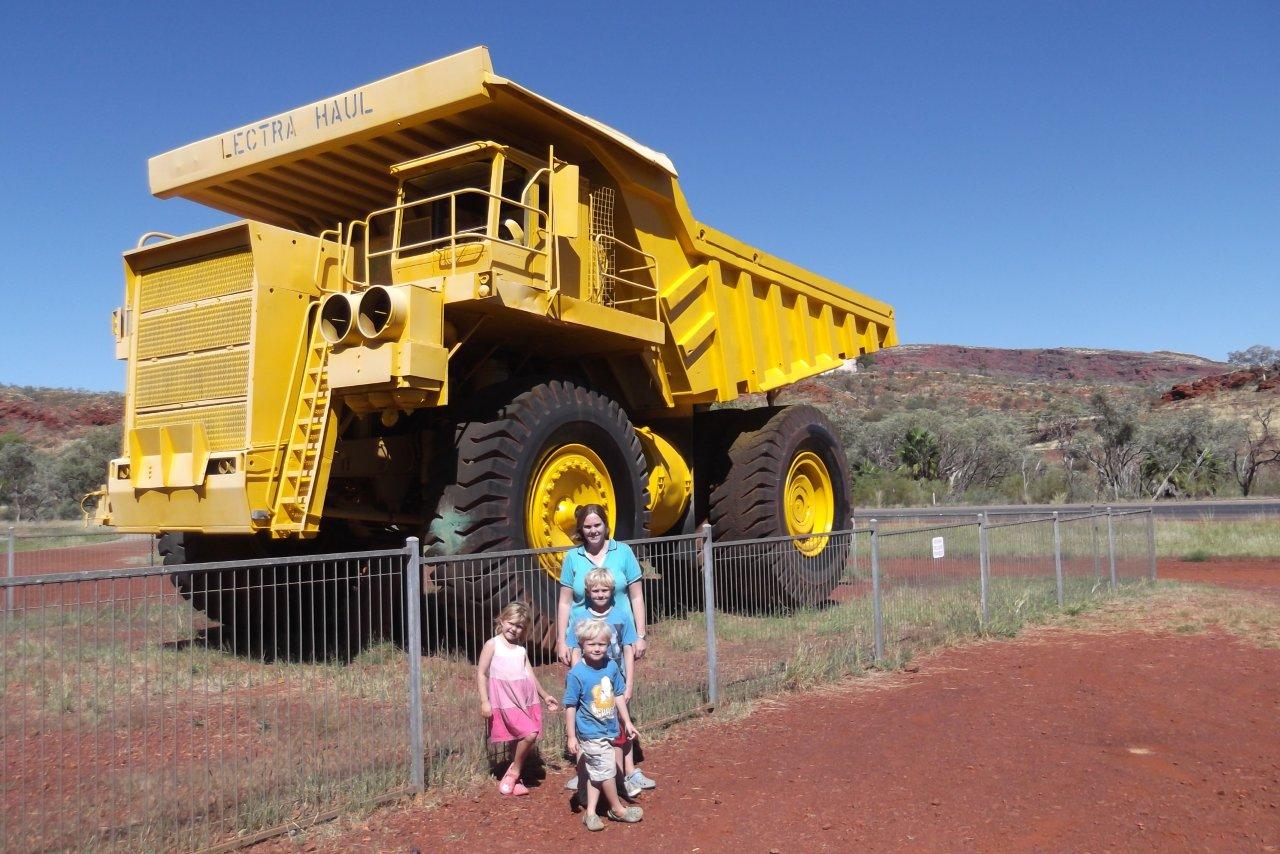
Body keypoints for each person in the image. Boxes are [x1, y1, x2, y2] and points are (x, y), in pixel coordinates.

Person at [556, 504, 657, 792]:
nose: (593, 530)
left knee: (619, 705)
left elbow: (636, 596)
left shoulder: (622, 553)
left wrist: (640, 634)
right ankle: (587, 770)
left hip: (617, 640)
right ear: (581, 528)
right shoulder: (572, 558)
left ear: (605, 525)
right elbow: (565, 602)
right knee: (587, 705)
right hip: (585, 646)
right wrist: (562, 639)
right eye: (587, 526)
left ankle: (628, 770)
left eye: (597, 524)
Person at [566, 567, 645, 796]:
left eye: (604, 590)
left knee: (618, 732)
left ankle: (621, 778)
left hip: (615, 684)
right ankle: (584, 781)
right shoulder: (580, 619)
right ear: (588, 592)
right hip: (587, 688)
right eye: (595, 590)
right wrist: (577, 680)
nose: (600, 594)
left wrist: (628, 683)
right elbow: (574, 651)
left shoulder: (621, 616)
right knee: (587, 733)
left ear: (612, 591)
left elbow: (629, 650)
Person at [564, 619, 643, 831]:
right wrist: (571, 736)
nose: (597, 648)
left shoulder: (611, 666)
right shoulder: (576, 674)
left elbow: (618, 695)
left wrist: (626, 721)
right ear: (581, 644)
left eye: (602, 644)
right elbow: (570, 706)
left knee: (597, 773)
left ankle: (590, 813)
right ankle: (617, 809)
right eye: (591, 644)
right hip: (590, 733)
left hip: (609, 728)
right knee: (607, 772)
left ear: (609, 644)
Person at [476, 601, 559, 796]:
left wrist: (545, 695)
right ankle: (514, 771)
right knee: (530, 734)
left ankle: (516, 778)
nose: (514, 629)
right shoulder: (492, 644)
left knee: (519, 739)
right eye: (511, 623)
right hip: (504, 701)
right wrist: (484, 701)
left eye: (519, 626)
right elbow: (481, 673)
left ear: (525, 629)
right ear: (502, 620)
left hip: (524, 699)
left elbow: (530, 675)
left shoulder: (521, 651)